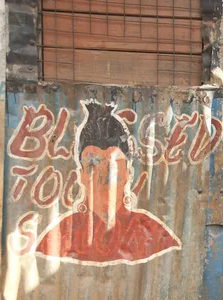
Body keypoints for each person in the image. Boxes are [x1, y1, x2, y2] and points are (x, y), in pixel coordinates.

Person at [34, 100, 181, 265]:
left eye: (112, 166)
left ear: (128, 173)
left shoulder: (152, 234)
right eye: (92, 166)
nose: (103, 177)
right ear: (80, 174)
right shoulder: (61, 234)